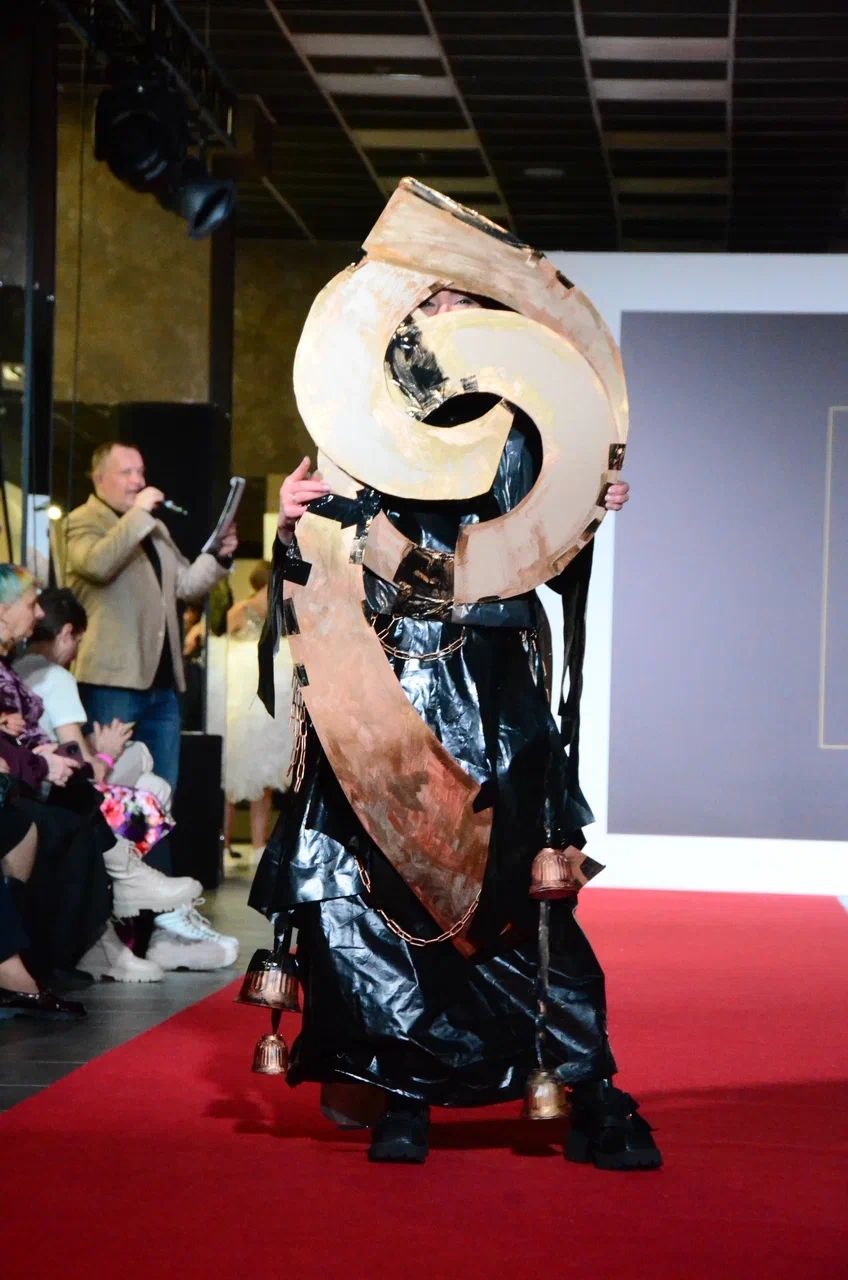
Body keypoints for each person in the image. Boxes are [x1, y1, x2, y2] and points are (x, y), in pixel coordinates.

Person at [250, 284, 660, 1172]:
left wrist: (585, 511)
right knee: (376, 898)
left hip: (492, 685)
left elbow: (545, 560)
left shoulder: (524, 426)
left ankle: (587, 1085)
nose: (443, 315)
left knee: (517, 894)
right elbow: (318, 565)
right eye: (428, 301)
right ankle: (406, 1092)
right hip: (377, 685)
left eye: (459, 299)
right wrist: (289, 523)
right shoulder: (356, 424)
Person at [14, 586, 239, 972]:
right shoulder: (56, 677)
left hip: (41, 782)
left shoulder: (17, 670)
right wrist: (105, 750)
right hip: (58, 788)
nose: (77, 652)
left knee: (151, 785)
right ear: (66, 633)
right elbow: (87, 770)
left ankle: (156, 920)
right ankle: (162, 921)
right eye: (78, 641)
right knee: (150, 776)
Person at [62, 442, 238, 791]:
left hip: (162, 686)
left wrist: (219, 556)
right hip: (112, 683)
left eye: (141, 472)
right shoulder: (81, 521)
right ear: (99, 478)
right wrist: (140, 514)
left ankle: (156, 833)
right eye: (126, 472)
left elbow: (186, 584)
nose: (138, 481)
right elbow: (98, 564)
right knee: (111, 790)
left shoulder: (152, 529)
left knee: (162, 791)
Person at [223, 561, 293, 861]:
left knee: (260, 776)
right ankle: (230, 844)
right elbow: (221, 644)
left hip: (263, 703)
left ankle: (253, 844)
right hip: (247, 702)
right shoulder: (246, 610)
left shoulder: (279, 612)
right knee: (237, 778)